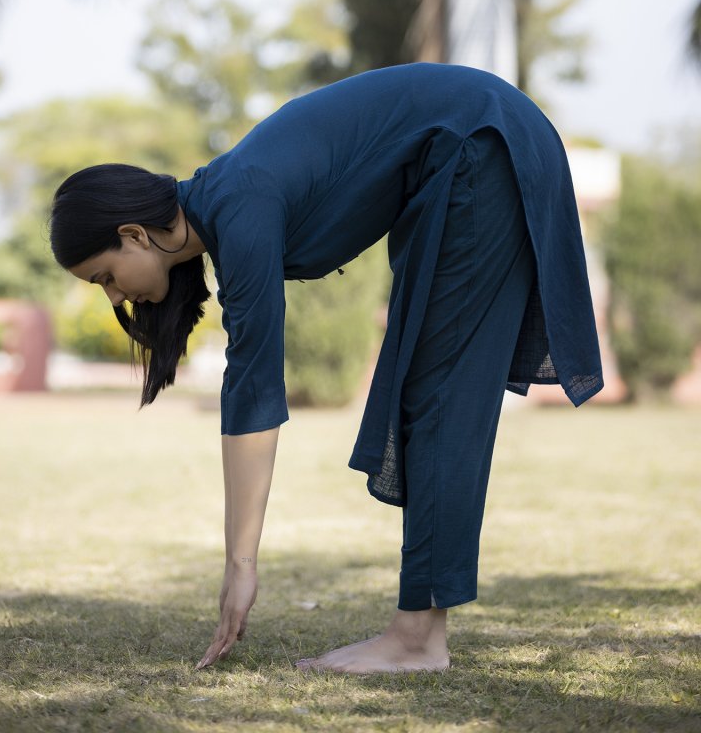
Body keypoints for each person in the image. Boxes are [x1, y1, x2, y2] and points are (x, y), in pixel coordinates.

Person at [49, 63, 603, 675]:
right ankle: (418, 633)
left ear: (134, 233)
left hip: (482, 142)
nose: (113, 298)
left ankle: (417, 641)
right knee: (427, 392)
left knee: (438, 395)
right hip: (475, 145)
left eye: (104, 277)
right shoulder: (225, 205)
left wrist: (241, 567)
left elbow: (254, 391)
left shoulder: (239, 204)